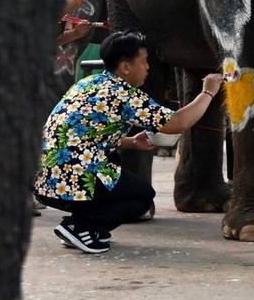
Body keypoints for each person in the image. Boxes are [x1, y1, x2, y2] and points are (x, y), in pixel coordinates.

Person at [33, 30, 224, 253]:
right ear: (125, 67)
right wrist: (207, 93)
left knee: (119, 182)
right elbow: (178, 122)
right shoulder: (124, 95)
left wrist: (131, 142)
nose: (148, 68)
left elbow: (82, 135)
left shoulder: (87, 83)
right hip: (69, 181)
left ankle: (83, 230)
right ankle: (80, 226)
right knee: (142, 196)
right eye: (144, 62)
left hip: (41, 180)